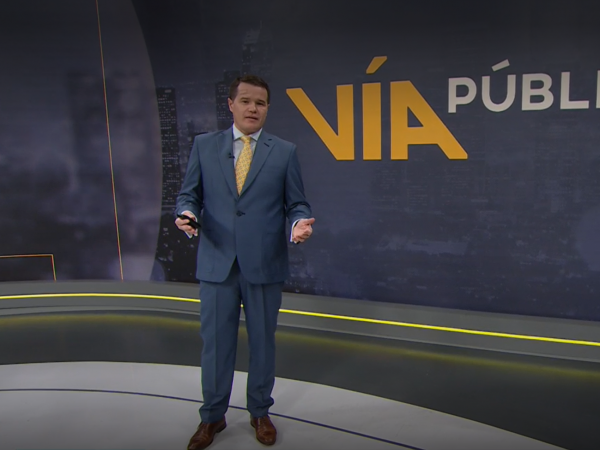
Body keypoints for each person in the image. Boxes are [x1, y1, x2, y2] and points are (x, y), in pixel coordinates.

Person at [174, 74, 314, 450]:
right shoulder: (205, 146)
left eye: (261, 103)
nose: (253, 108)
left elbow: (297, 203)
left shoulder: (284, 151)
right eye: (246, 101)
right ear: (231, 105)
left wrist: (299, 223)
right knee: (215, 344)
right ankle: (212, 416)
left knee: (263, 343)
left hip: (265, 263)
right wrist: (186, 214)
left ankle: (259, 411)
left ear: (267, 109)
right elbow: (188, 196)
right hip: (217, 261)